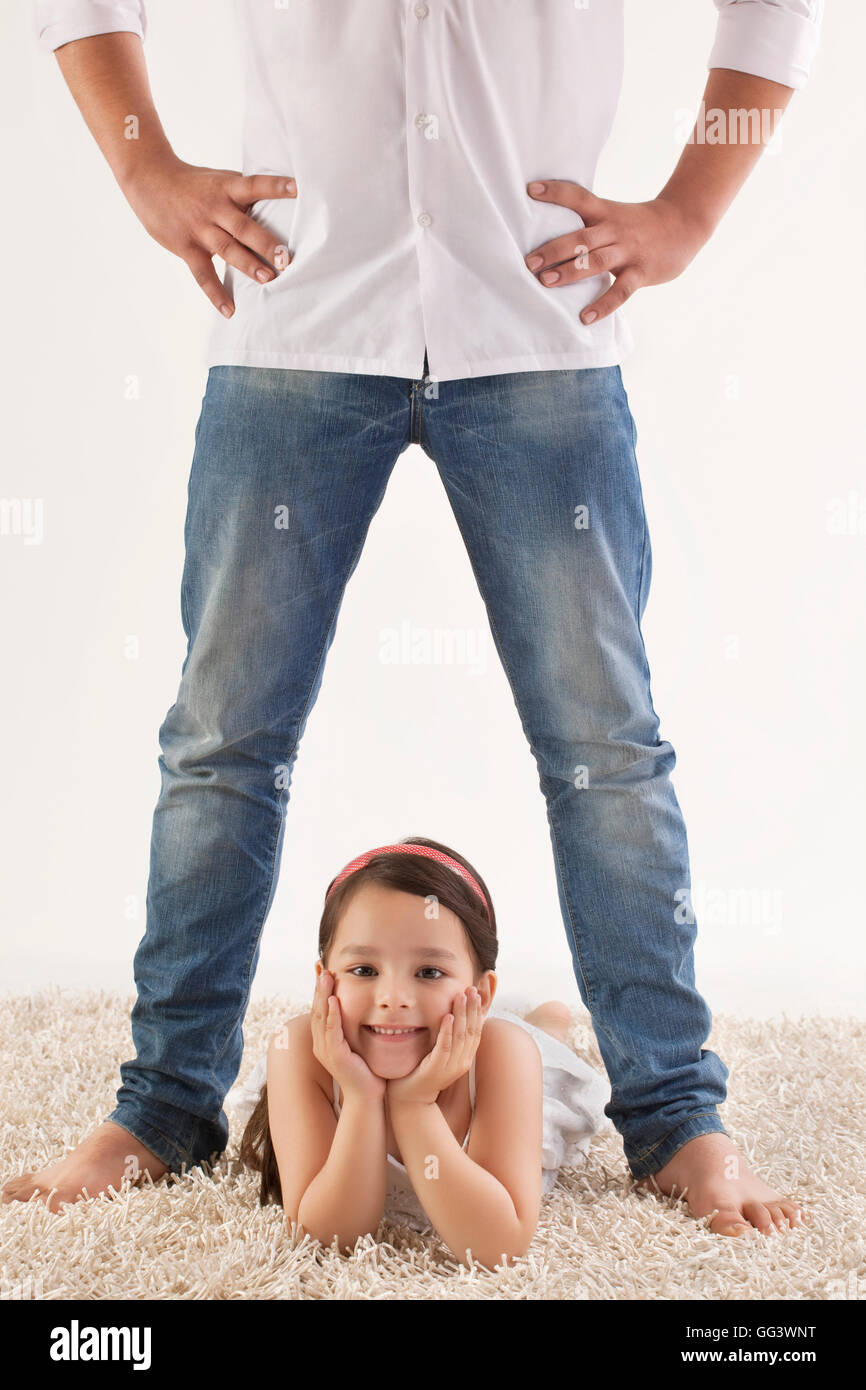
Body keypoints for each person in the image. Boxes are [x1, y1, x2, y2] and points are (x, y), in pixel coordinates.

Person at [4, 1, 822, 1239]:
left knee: (606, 752)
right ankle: (162, 1107)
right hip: (298, 309)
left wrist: (690, 207)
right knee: (222, 742)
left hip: (538, 318)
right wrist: (142, 161)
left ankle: (674, 1118)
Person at [228, 836, 611, 1267]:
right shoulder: (299, 1051)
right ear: (325, 981)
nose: (393, 997)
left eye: (429, 971)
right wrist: (360, 1097)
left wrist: (413, 1103)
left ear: (480, 995)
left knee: (542, 1045)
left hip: (495, 1058)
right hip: (407, 1047)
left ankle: (549, 1024)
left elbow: (498, 1247)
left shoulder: (505, 1056)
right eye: (364, 970)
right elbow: (329, 1237)